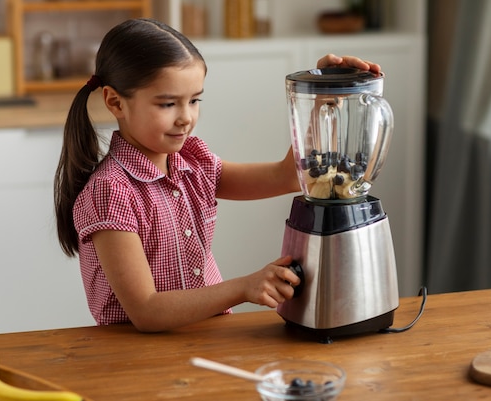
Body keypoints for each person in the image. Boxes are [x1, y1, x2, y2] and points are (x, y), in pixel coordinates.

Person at [54, 18, 381, 333]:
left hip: (207, 344)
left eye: (195, 100)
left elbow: (289, 176)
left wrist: (323, 93)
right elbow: (146, 311)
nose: (186, 118)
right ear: (115, 102)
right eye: (168, 104)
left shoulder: (194, 164)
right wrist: (244, 287)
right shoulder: (111, 192)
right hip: (140, 362)